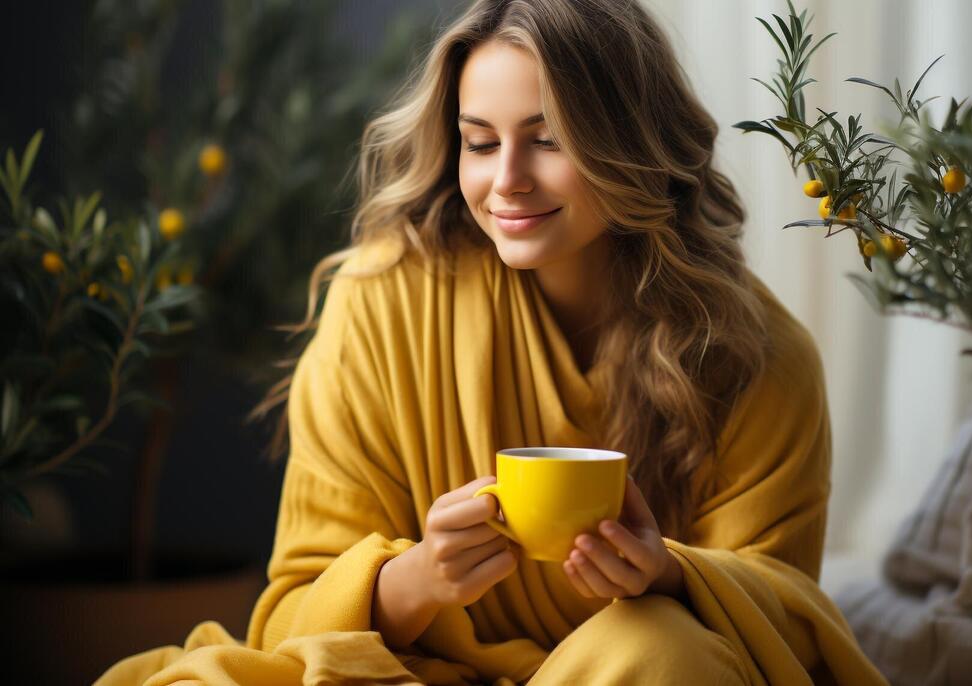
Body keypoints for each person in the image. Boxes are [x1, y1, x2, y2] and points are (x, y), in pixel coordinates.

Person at [98, 0, 886, 683]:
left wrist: (670, 575)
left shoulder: (758, 357)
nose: (506, 179)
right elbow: (291, 621)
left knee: (665, 653)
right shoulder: (382, 303)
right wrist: (419, 577)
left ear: (635, 145)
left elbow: (779, 637)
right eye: (480, 141)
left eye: (547, 140)